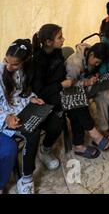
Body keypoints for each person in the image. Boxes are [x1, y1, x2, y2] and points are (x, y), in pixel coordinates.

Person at [0, 40, 45, 194]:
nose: (8, 66)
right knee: (31, 134)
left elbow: (21, 93)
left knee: (39, 123)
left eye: (14, 64)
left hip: (19, 111)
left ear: (24, 62)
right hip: (5, 117)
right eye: (6, 60)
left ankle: (27, 175)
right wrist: (6, 117)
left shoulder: (24, 70)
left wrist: (31, 98)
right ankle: (27, 177)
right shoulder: (0, 72)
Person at [32, 24, 73, 173]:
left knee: (78, 100)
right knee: (57, 121)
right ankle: (45, 150)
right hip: (44, 99)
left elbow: (60, 74)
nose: (63, 39)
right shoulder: (38, 61)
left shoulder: (57, 52)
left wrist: (68, 80)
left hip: (58, 92)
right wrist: (61, 85)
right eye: (60, 37)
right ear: (49, 42)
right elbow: (40, 91)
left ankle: (81, 140)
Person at [65, 42, 109, 157]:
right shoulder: (74, 64)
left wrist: (96, 75)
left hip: (84, 87)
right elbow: (69, 84)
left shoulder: (90, 52)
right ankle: (94, 136)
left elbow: (91, 70)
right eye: (97, 62)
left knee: (103, 92)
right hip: (72, 91)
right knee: (78, 107)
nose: (97, 64)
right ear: (91, 54)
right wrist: (87, 82)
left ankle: (103, 129)